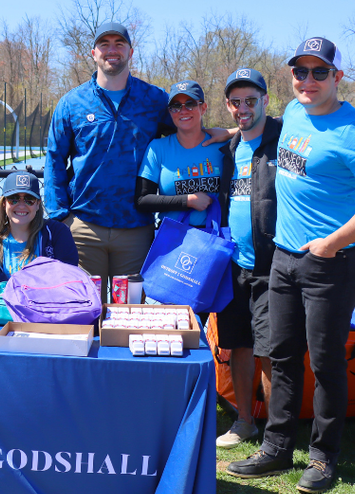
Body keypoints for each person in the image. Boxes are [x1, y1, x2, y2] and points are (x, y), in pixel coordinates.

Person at [227, 38, 355, 494]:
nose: (308, 81)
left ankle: (324, 458)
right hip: (283, 258)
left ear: (337, 77)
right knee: (283, 356)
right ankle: (277, 448)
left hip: (332, 264)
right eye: (300, 72)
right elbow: (252, 133)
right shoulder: (296, 113)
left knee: (325, 363)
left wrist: (334, 241)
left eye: (319, 72)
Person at [44, 22, 175, 301]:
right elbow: (54, 160)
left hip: (136, 229)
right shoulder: (72, 103)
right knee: (82, 312)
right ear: (93, 52)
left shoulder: (154, 100)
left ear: (130, 51)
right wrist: (61, 218)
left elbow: (186, 134)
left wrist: (223, 133)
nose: (112, 50)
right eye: (105, 44)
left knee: (127, 319)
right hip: (83, 228)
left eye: (119, 43)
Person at [213, 68, 280, 449]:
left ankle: (276, 431)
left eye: (250, 101)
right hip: (234, 264)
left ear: (265, 101)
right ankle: (244, 421)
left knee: (269, 349)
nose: (243, 108)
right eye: (236, 102)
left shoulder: (283, 140)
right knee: (237, 344)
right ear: (228, 105)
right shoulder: (228, 151)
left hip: (272, 266)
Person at [135, 80, 221, 227]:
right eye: (176, 106)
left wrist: (233, 131)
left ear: (203, 108)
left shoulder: (221, 146)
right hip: (172, 240)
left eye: (190, 104)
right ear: (170, 111)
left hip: (213, 239)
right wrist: (187, 201)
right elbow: (142, 200)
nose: (183, 111)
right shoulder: (158, 148)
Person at [0, 171, 78, 294]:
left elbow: (67, 280)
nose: (21, 206)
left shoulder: (57, 234)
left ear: (37, 204)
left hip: (50, 309)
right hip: (7, 311)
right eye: (13, 199)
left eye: (29, 199)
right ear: (4, 203)